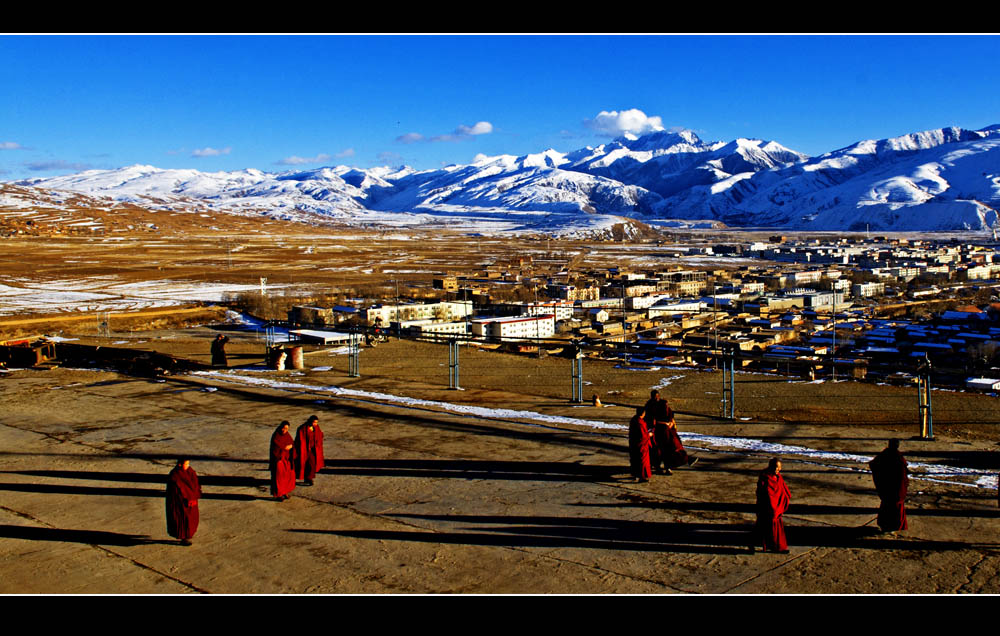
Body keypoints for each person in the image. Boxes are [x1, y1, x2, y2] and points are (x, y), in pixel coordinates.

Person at [644, 389, 697, 474]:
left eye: (657, 396)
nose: (656, 398)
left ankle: (670, 466)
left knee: (672, 447)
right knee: (657, 450)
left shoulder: (663, 404)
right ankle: (657, 467)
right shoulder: (649, 405)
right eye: (654, 397)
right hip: (656, 432)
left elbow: (670, 416)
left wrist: (671, 423)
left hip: (666, 430)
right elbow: (649, 419)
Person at [869, 439, 909, 533]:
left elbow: (874, 464)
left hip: (886, 487)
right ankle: (892, 527)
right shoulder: (898, 457)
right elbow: (902, 475)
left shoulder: (884, 454)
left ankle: (885, 526)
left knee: (887, 506)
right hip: (895, 488)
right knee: (894, 507)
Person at [754, 458, 790, 554]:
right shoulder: (765, 477)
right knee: (765, 528)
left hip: (776, 508)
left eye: (779, 468)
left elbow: (783, 490)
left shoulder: (778, 477)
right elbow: (763, 493)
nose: (777, 470)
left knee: (776, 529)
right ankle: (768, 546)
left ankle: (778, 547)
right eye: (776, 467)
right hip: (767, 508)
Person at [166, 459, 201, 546]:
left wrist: (194, 494)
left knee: (191, 519)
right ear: (180, 465)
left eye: (188, 463)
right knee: (182, 520)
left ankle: (188, 536)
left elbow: (195, 484)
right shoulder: (175, 475)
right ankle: (184, 538)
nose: (188, 465)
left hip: (191, 501)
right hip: (180, 502)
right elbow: (173, 491)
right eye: (186, 464)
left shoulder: (191, 472)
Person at [294, 415, 325, 486]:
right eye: (314, 422)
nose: (315, 424)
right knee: (304, 464)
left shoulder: (316, 427)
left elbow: (319, 435)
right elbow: (299, 440)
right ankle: (306, 478)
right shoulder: (302, 429)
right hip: (304, 449)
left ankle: (309, 478)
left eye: (316, 422)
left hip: (313, 449)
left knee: (312, 464)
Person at [270, 421, 296, 501]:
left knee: (287, 476)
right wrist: (285, 447)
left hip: (287, 459)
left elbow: (291, 442)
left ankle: (285, 492)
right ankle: (278, 494)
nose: (284, 430)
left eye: (286, 429)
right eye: (283, 428)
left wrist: (291, 446)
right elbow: (276, 447)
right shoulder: (276, 436)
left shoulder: (287, 435)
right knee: (279, 478)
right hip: (279, 460)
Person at [628, 407, 653, 482]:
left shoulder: (634, 420)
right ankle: (642, 477)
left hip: (633, 443)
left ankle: (635, 474)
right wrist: (649, 434)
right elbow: (643, 436)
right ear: (643, 413)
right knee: (642, 461)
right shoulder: (640, 423)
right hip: (641, 445)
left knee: (635, 459)